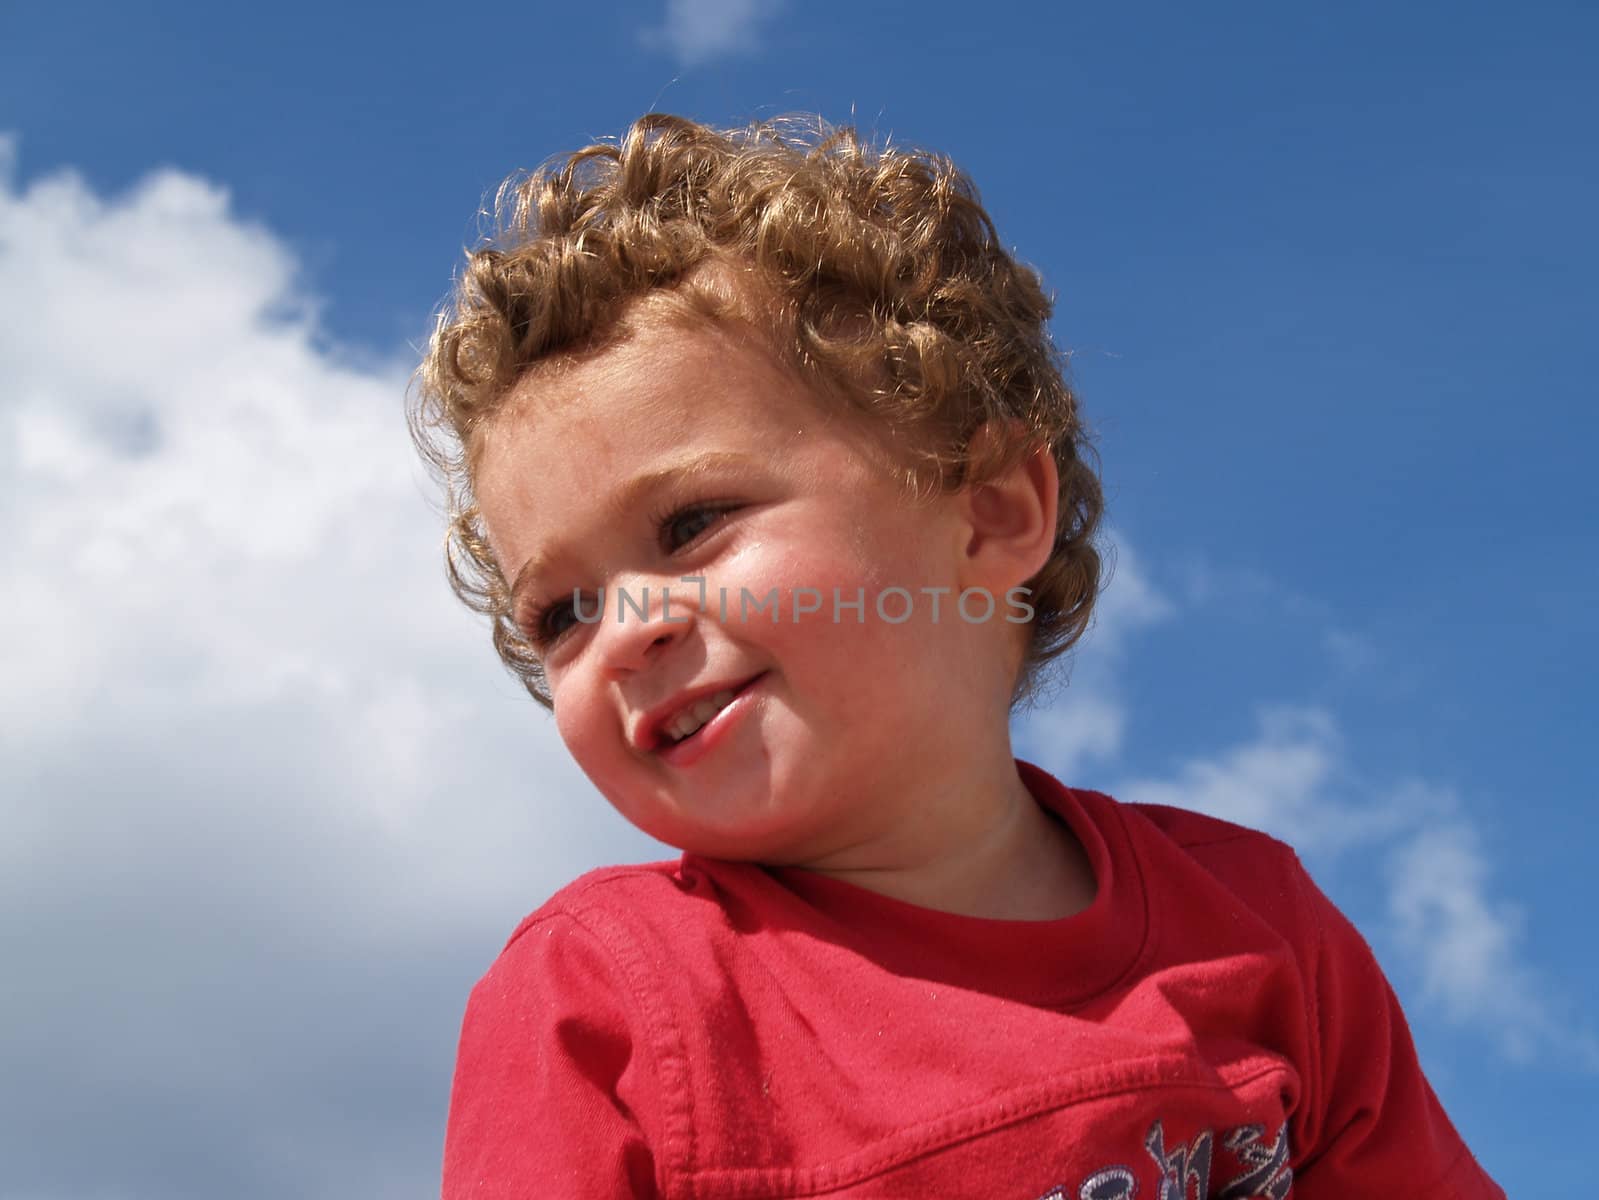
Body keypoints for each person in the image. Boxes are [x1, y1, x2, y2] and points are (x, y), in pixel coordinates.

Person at [409, 112, 1503, 1198]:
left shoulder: (1260, 924)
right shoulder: (599, 1000)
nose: (626, 627)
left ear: (987, 512)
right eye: (562, 612)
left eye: (693, 524)